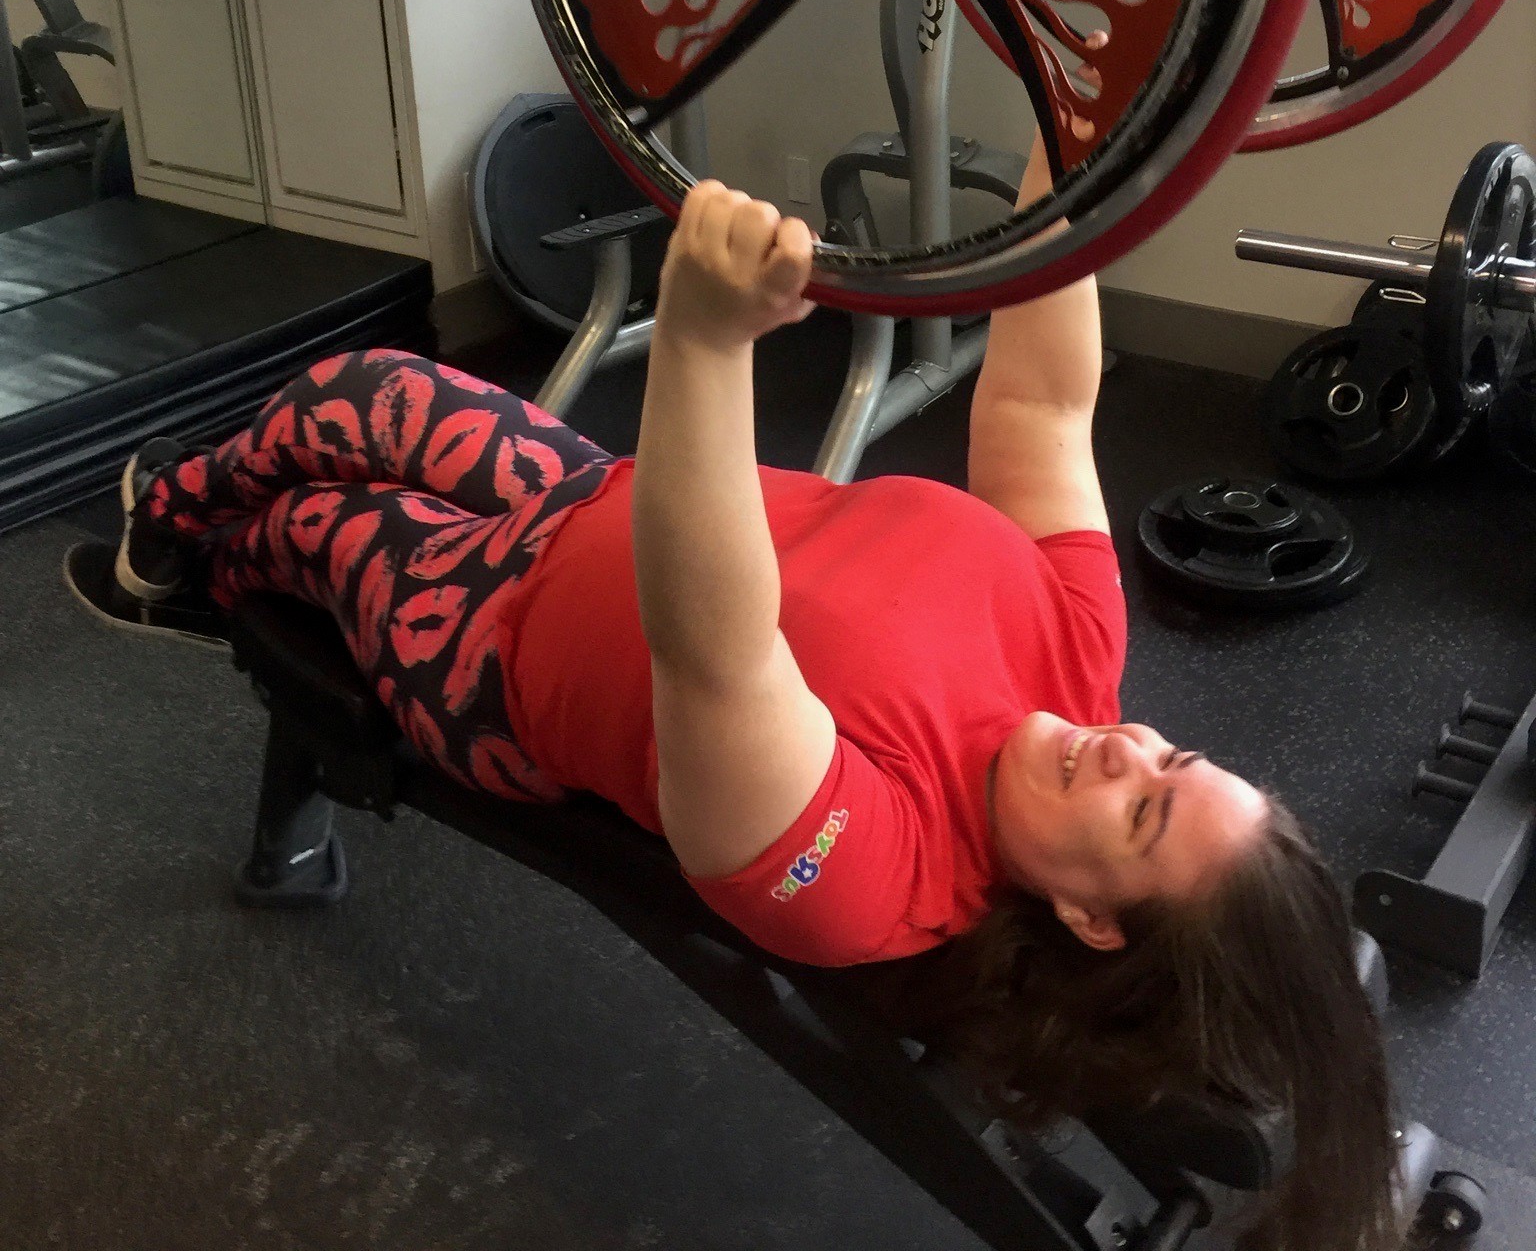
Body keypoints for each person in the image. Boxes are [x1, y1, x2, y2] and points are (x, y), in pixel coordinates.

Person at [68, 140, 1401, 1251]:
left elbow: (716, 651)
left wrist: (705, 340)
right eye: (1175, 759)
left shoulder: (872, 881)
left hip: (491, 652)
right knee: (342, 393)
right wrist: (1084, 152)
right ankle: (170, 518)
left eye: (1145, 816)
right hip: (593, 496)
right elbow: (1047, 409)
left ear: (1088, 920)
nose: (1133, 746)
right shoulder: (1074, 650)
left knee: (307, 535)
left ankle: (172, 569)